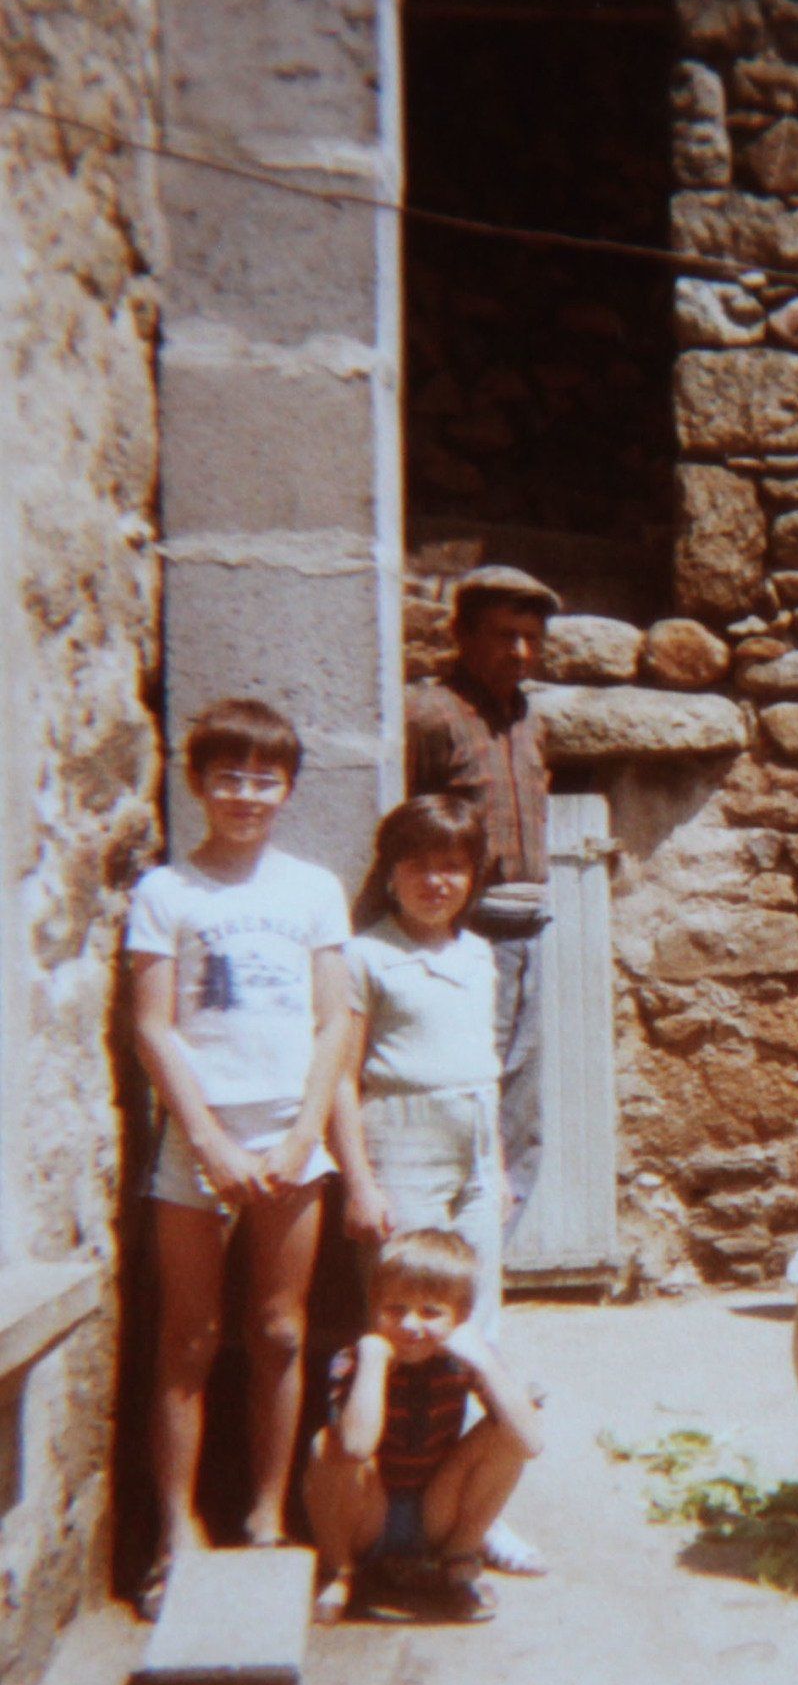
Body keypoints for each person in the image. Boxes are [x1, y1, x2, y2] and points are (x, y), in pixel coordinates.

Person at [126, 698, 354, 1616]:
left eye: (265, 778)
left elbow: (334, 1020)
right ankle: (177, 1529)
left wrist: (303, 1137)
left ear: (288, 787)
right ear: (199, 782)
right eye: (229, 776)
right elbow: (152, 1027)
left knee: (280, 1330)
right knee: (188, 1337)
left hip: (289, 1136)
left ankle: (266, 1514)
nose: (247, 794)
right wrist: (209, 1140)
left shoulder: (311, 890)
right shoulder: (167, 892)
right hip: (199, 1136)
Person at [404, 567, 557, 1239]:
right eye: (502, 636)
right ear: (461, 635)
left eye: (530, 638)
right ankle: (442, 1266)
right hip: (465, 928)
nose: (519, 652)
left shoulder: (531, 718)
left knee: (521, 1102)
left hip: (531, 928)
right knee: (467, 1093)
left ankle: (494, 1256)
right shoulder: (429, 714)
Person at [332, 794, 505, 1339]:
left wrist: (496, 1167)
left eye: (452, 867)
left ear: (472, 876)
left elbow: (483, 1069)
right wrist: (360, 1182)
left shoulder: (479, 954)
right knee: (407, 1305)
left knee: (476, 1301)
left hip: (474, 1140)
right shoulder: (364, 956)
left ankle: (478, 1420)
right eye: (418, 867)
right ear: (391, 873)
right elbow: (341, 1076)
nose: (435, 882)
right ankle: (391, 1421)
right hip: (403, 1141)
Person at [304, 1229, 543, 1624]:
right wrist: (375, 1360)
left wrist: (483, 1359)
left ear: (460, 1317)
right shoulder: (356, 1360)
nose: (410, 1325)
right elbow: (357, 1448)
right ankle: (340, 1569)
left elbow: (530, 1443)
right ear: (374, 1307)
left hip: (437, 1512)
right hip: (369, 1515)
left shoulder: (464, 1357)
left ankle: (458, 1558)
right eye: (395, 1309)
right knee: (324, 1446)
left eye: (431, 1312)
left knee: (505, 1433)